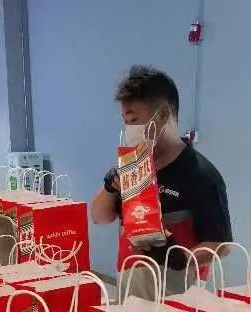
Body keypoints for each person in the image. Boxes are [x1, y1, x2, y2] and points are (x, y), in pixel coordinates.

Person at [91, 65, 232, 298]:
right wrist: (109, 186)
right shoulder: (133, 167)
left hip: (179, 301)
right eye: (126, 122)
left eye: (134, 121)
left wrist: (181, 258)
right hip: (130, 296)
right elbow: (99, 217)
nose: (129, 130)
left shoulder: (201, 175)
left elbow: (221, 245)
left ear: (164, 114)